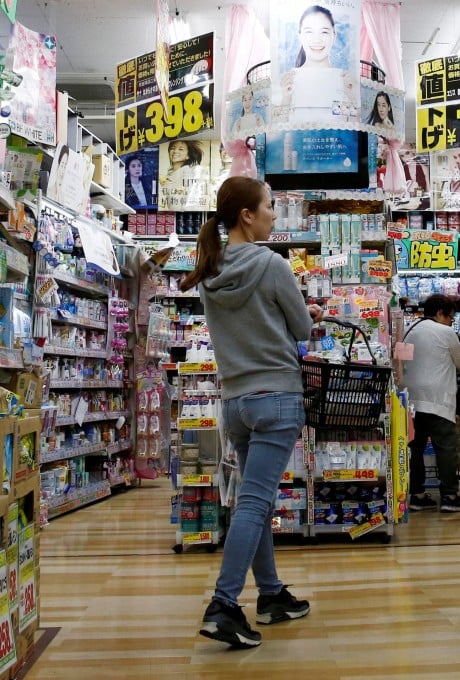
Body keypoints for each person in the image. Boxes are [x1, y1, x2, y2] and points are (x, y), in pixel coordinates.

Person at [181, 176, 324, 648]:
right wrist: (313, 315)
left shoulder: (209, 268)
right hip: (276, 397)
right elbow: (301, 327)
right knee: (255, 502)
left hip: (236, 402)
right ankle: (223, 604)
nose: (272, 215)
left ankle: (271, 594)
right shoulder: (271, 264)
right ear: (247, 214)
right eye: (268, 207)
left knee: (254, 500)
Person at [402, 294, 460, 513]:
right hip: (438, 400)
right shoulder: (446, 332)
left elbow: (401, 362)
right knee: (445, 448)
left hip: (411, 400)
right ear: (441, 313)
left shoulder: (409, 331)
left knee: (415, 448)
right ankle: (450, 496)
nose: (451, 321)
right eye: (450, 317)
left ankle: (416, 495)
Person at [279, 5, 357, 124]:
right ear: (300, 36)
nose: (317, 40)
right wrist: (285, 98)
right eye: (309, 32)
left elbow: (354, 132)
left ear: (334, 36)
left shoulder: (345, 81)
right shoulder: (288, 81)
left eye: (324, 32)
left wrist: (352, 97)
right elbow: (277, 134)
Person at [162, 140, 207, 210]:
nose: (175, 151)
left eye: (181, 149)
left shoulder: (188, 174)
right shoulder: (169, 175)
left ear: (188, 156)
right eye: (173, 148)